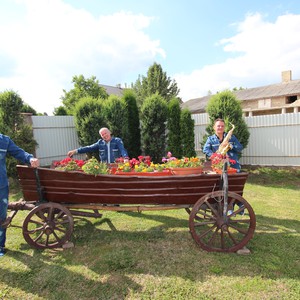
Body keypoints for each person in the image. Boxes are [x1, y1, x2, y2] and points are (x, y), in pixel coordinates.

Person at [0, 133, 40, 257]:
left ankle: (0, 246)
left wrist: (30, 158)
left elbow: (18, 152)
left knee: (1, 217)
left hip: (1, 185)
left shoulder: (4, 140)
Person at [203, 118, 244, 215]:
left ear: (224, 127)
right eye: (218, 126)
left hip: (232, 166)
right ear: (214, 128)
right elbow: (205, 150)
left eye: (222, 126)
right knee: (221, 187)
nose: (220, 127)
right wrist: (215, 156)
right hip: (218, 166)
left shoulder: (231, 137)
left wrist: (230, 145)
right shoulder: (210, 139)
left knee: (234, 186)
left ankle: (234, 206)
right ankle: (226, 206)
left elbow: (240, 148)